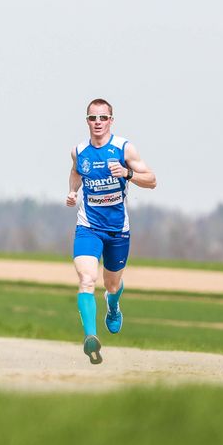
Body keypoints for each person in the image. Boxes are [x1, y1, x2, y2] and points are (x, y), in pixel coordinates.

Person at [67, 98, 157, 364]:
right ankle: (90, 337)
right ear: (87, 121)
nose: (98, 123)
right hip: (88, 227)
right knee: (86, 278)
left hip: (117, 230)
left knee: (112, 284)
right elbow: (76, 173)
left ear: (111, 121)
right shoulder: (79, 151)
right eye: (93, 118)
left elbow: (152, 180)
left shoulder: (123, 148)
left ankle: (113, 304)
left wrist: (127, 174)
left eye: (103, 118)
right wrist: (72, 191)